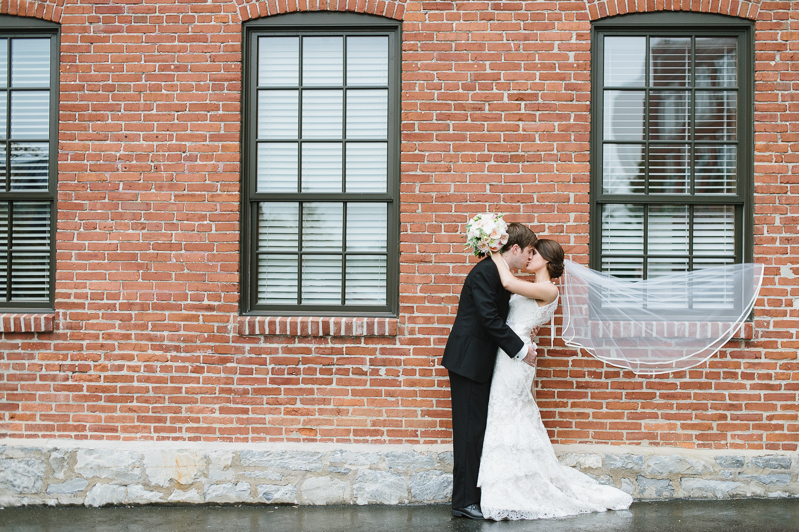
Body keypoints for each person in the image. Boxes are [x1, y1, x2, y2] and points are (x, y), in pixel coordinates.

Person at [477, 239, 633, 521]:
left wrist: (493, 251)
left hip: (517, 359)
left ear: (547, 260)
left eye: (533, 253)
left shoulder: (548, 289)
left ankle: (510, 490)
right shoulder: (534, 285)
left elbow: (509, 284)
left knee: (509, 415)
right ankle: (508, 486)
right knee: (509, 416)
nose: (528, 257)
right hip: (510, 355)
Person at [441, 222, 538, 520]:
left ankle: (473, 496)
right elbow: (489, 319)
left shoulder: (498, 274)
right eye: (529, 252)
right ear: (516, 248)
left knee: (477, 433)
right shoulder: (485, 273)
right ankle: (464, 502)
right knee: (468, 435)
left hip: (478, 363)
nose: (529, 260)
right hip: (468, 363)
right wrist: (521, 351)